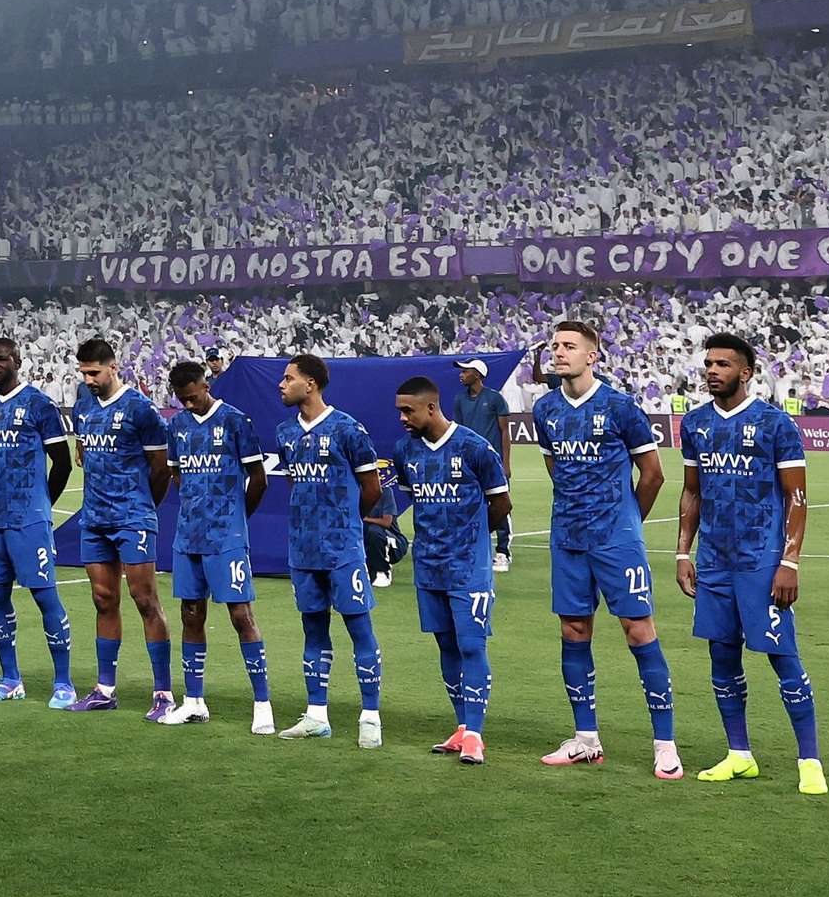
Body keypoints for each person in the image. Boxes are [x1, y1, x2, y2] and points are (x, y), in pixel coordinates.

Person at [676, 330, 825, 795]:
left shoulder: (775, 424)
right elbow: (692, 491)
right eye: (709, 364)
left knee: (784, 658)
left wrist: (790, 561)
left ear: (746, 372)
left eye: (723, 364)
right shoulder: (694, 423)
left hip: (762, 559)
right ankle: (739, 754)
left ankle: (809, 760)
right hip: (714, 560)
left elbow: (796, 497)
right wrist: (683, 551)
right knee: (721, 656)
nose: (712, 371)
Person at [532, 316, 681, 776]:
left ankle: (665, 743)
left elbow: (653, 473)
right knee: (574, 632)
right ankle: (585, 739)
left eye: (569, 346)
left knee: (639, 630)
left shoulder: (621, 407)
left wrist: (627, 520)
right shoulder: (545, 410)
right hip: (567, 539)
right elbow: (556, 467)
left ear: (591, 356)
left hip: (616, 541)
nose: (558, 352)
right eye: (555, 345)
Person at [391, 373, 510, 765]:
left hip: (468, 568)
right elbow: (416, 502)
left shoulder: (475, 448)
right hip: (428, 565)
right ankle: (461, 727)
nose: (403, 418)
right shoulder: (405, 452)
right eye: (399, 411)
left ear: (431, 406)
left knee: (472, 644)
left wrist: (472, 539)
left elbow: (501, 504)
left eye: (408, 410)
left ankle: (476, 733)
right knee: (446, 644)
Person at [154, 358, 278, 729]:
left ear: (206, 386)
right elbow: (177, 476)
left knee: (241, 615)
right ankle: (194, 701)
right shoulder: (176, 426)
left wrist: (236, 518)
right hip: (188, 536)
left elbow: (259, 479)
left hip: (227, 538)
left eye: (192, 397)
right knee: (191, 614)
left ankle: (262, 705)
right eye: (182, 399)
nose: (188, 405)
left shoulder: (236, 421)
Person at [272, 354, 388, 746]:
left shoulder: (347, 430)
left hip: (343, 550)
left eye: (289, 378)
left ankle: (370, 715)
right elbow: (296, 485)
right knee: (313, 627)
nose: (281, 384)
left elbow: (372, 488)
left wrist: (345, 523)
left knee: (359, 627)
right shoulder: (285, 433)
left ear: (312, 384)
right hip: (302, 550)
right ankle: (317, 714)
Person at [69, 336, 178, 717]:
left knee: (145, 599)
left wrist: (143, 508)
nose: (89, 380)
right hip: (94, 518)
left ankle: (163, 693)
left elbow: (161, 468)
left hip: (132, 517)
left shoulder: (140, 409)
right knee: (103, 599)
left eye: (94, 372)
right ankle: (104, 689)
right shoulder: (82, 404)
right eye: (83, 373)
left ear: (114, 367)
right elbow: (83, 449)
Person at [0, 336, 79, 705]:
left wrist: (43, 503)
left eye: (0, 359)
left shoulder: (38, 404)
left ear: (17, 360)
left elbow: (61, 461)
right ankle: (9, 679)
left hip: (28, 519)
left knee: (45, 596)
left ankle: (63, 682)